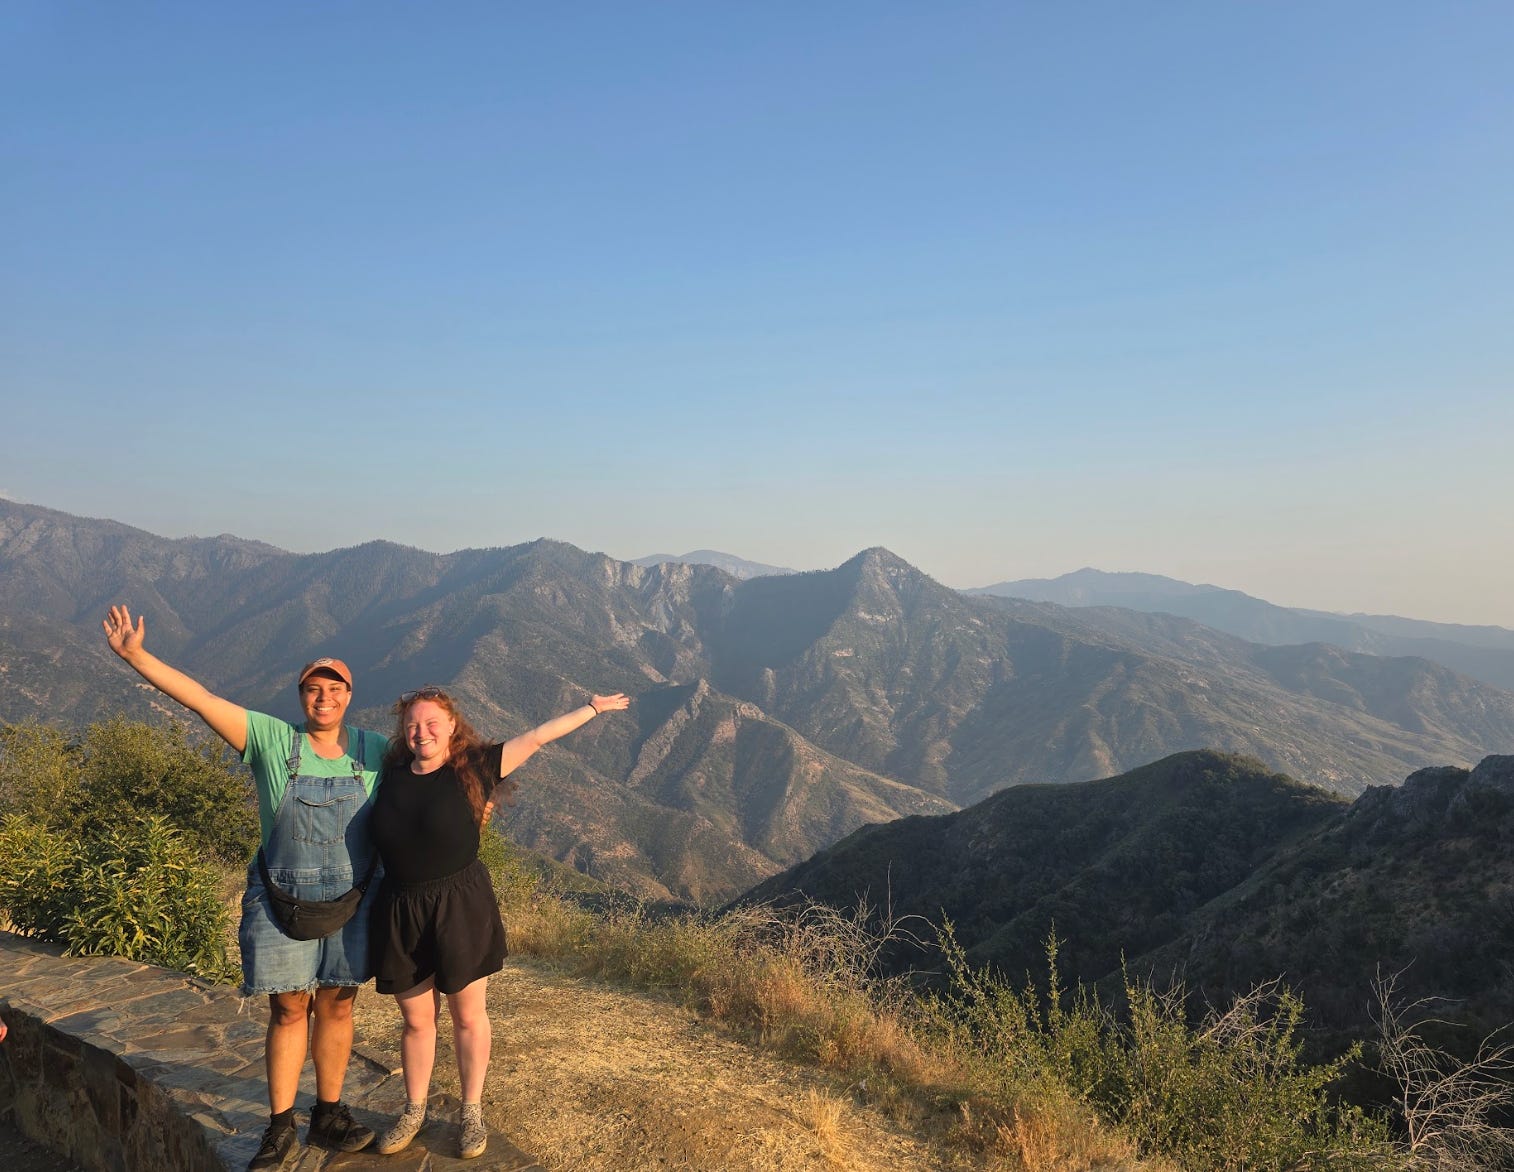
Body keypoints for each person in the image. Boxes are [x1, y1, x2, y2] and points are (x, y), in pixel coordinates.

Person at [103, 605, 384, 1170]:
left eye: (334, 688)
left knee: (337, 1005)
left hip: (352, 905)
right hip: (281, 901)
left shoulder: (374, 750)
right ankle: (281, 1126)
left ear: (350, 695)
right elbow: (200, 698)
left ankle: (328, 1115)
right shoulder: (271, 740)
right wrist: (137, 657)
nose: (322, 697)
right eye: (312, 688)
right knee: (287, 1009)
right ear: (300, 696)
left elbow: (440, 762)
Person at [370, 685, 629, 1160]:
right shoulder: (386, 777)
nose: (421, 732)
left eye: (431, 723)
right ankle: (414, 1109)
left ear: (452, 726)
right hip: (401, 907)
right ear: (402, 731)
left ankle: (471, 1111)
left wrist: (592, 708)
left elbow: (537, 737)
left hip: (459, 906)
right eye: (412, 725)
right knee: (416, 1021)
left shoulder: (476, 768)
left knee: (468, 1016)